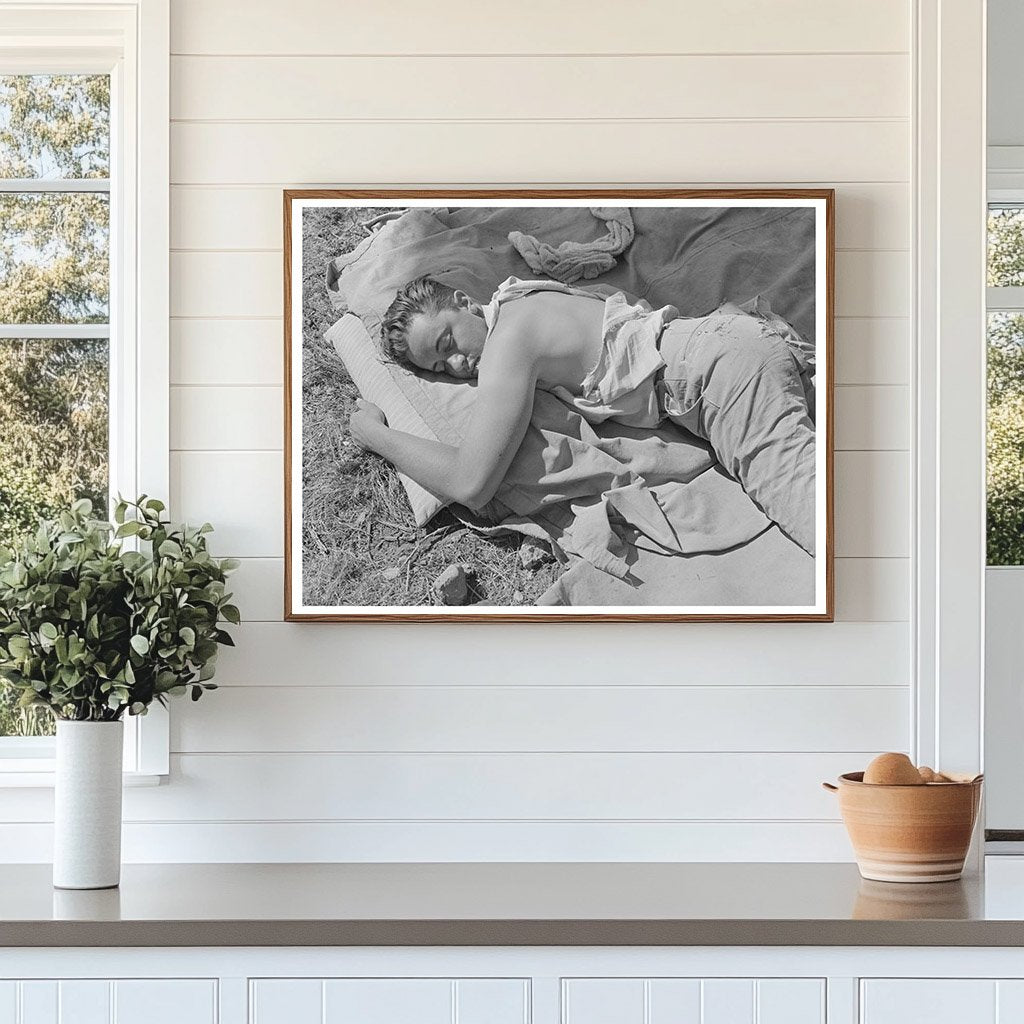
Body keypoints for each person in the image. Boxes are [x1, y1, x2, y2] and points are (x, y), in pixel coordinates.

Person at [349, 275, 817, 555]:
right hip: (731, 343)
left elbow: (471, 482)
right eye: (439, 368)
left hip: (715, 377)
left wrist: (374, 434)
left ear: (463, 303)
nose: (456, 366)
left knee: (820, 520)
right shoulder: (525, 294)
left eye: (448, 343)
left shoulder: (507, 343)